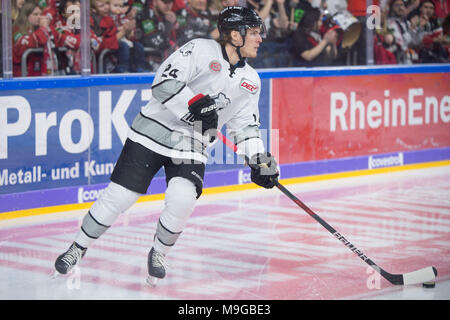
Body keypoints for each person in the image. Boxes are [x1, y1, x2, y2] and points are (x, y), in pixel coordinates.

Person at [54, 6, 280, 286]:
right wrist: (194, 104)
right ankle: (78, 247)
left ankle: (159, 253)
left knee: (182, 200)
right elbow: (163, 82)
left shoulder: (251, 81)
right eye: (254, 33)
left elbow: (244, 126)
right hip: (152, 132)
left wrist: (258, 157)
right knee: (120, 197)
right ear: (235, 34)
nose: (260, 39)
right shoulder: (199, 49)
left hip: (192, 144)